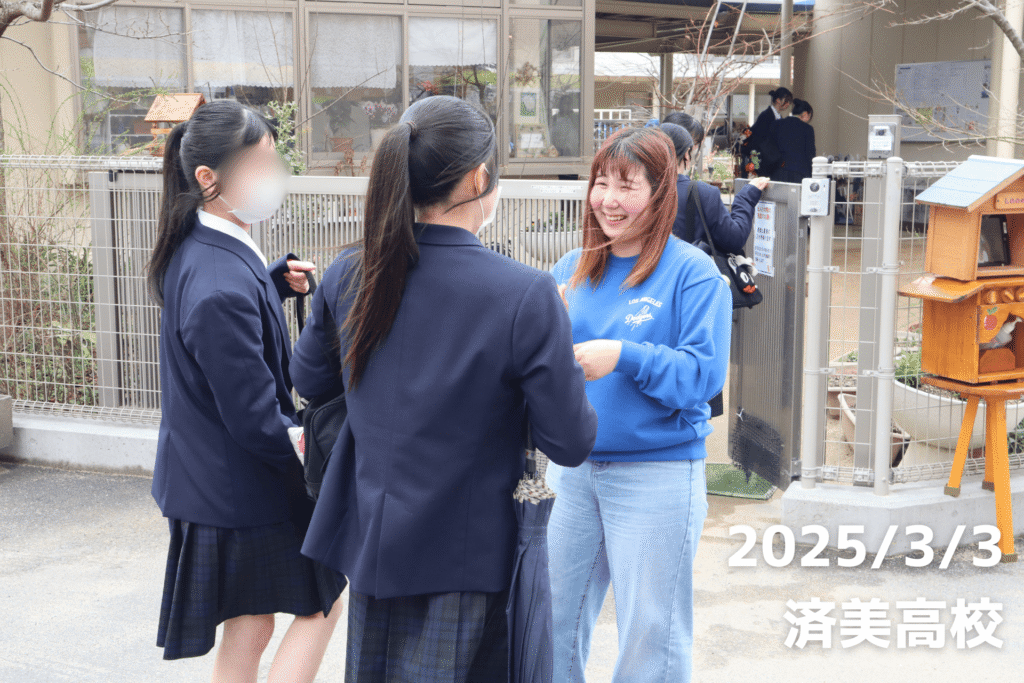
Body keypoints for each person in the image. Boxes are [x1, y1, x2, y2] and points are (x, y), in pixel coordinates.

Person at [292, 95, 598, 683]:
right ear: (479, 179)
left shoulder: (350, 270)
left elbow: (309, 380)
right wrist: (561, 357)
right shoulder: (524, 293)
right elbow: (570, 440)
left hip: (373, 540)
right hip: (469, 555)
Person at [148, 99, 345, 682]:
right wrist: (324, 454)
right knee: (323, 598)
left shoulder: (205, 246)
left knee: (254, 623)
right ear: (207, 178)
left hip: (210, 473)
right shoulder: (220, 284)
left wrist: (270, 284)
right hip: (236, 486)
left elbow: (226, 329)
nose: (274, 176)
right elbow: (257, 419)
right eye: (259, 166)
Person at [547, 126, 732, 683]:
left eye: (627, 187)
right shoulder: (569, 269)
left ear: (660, 193)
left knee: (651, 635)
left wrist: (624, 356)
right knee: (550, 622)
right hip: (572, 473)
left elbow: (702, 376)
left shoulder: (693, 273)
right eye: (601, 183)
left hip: (658, 473)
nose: (609, 200)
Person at [661, 122, 768, 254]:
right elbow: (734, 239)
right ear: (686, 155)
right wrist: (745, 198)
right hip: (689, 266)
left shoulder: (642, 190)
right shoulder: (701, 192)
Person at [741, 86, 793, 172]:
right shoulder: (766, 116)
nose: (788, 104)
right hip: (763, 160)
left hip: (771, 160)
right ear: (778, 100)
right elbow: (761, 140)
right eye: (787, 100)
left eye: (790, 102)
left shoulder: (778, 116)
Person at [767, 99, 816, 183]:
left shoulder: (776, 125)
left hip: (777, 172)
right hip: (799, 173)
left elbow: (769, 149)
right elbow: (810, 154)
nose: (808, 120)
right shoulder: (807, 129)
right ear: (805, 114)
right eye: (809, 116)